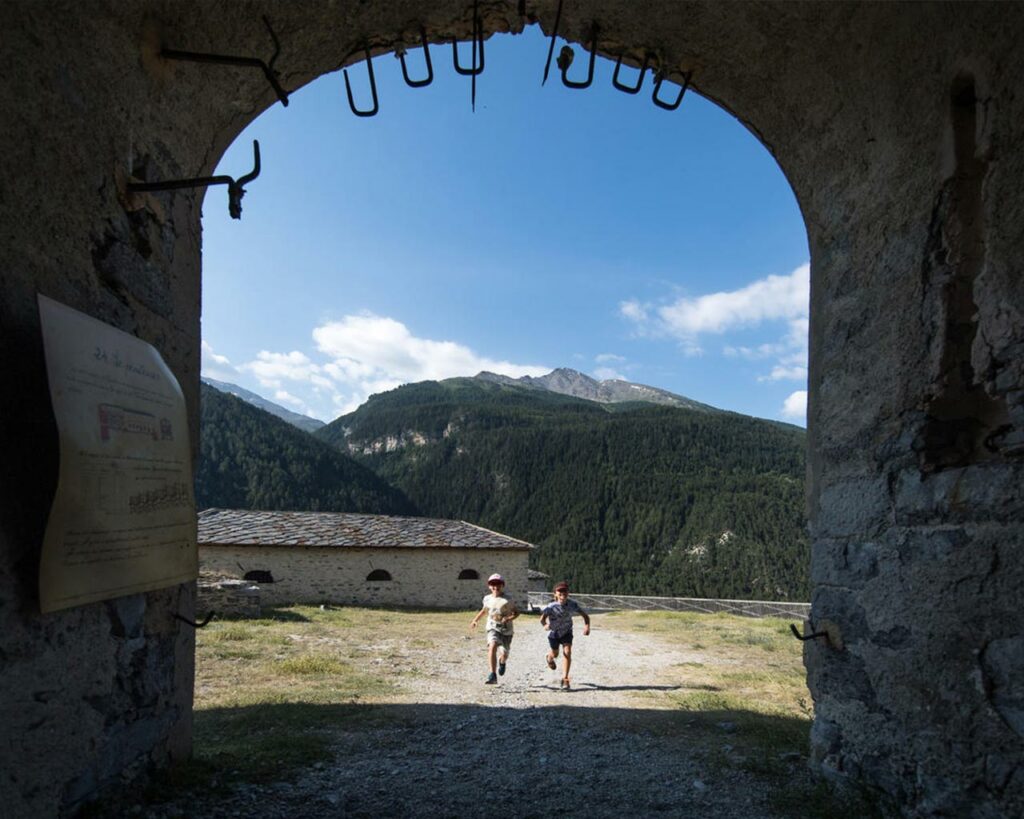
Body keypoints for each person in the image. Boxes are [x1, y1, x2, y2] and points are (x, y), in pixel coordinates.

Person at [469, 573, 519, 684]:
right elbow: (484, 611)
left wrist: (509, 618)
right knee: (492, 645)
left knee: (504, 654)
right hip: (492, 626)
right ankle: (492, 675)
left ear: (502, 586)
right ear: (489, 586)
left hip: (506, 630)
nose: (495, 587)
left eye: (498, 585)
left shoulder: (508, 599)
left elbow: (516, 613)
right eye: (493, 585)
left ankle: (502, 662)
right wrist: (475, 620)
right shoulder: (487, 599)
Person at [540, 581, 590, 689]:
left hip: (567, 632)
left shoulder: (573, 604)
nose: (562, 593)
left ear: (568, 593)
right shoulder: (551, 606)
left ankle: (565, 679)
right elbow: (542, 619)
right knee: (555, 653)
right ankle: (549, 658)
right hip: (554, 633)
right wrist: (545, 625)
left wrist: (587, 626)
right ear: (555, 594)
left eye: (565, 591)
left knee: (567, 652)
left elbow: (585, 616)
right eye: (560, 591)